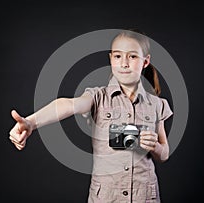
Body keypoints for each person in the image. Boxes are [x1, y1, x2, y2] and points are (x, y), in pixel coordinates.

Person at [9, 29, 173, 202]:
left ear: (145, 61)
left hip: (146, 197)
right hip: (106, 197)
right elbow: (68, 104)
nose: (124, 63)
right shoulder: (97, 97)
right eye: (118, 56)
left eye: (132, 57)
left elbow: (164, 154)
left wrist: (155, 146)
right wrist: (31, 122)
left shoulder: (156, 104)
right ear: (110, 59)